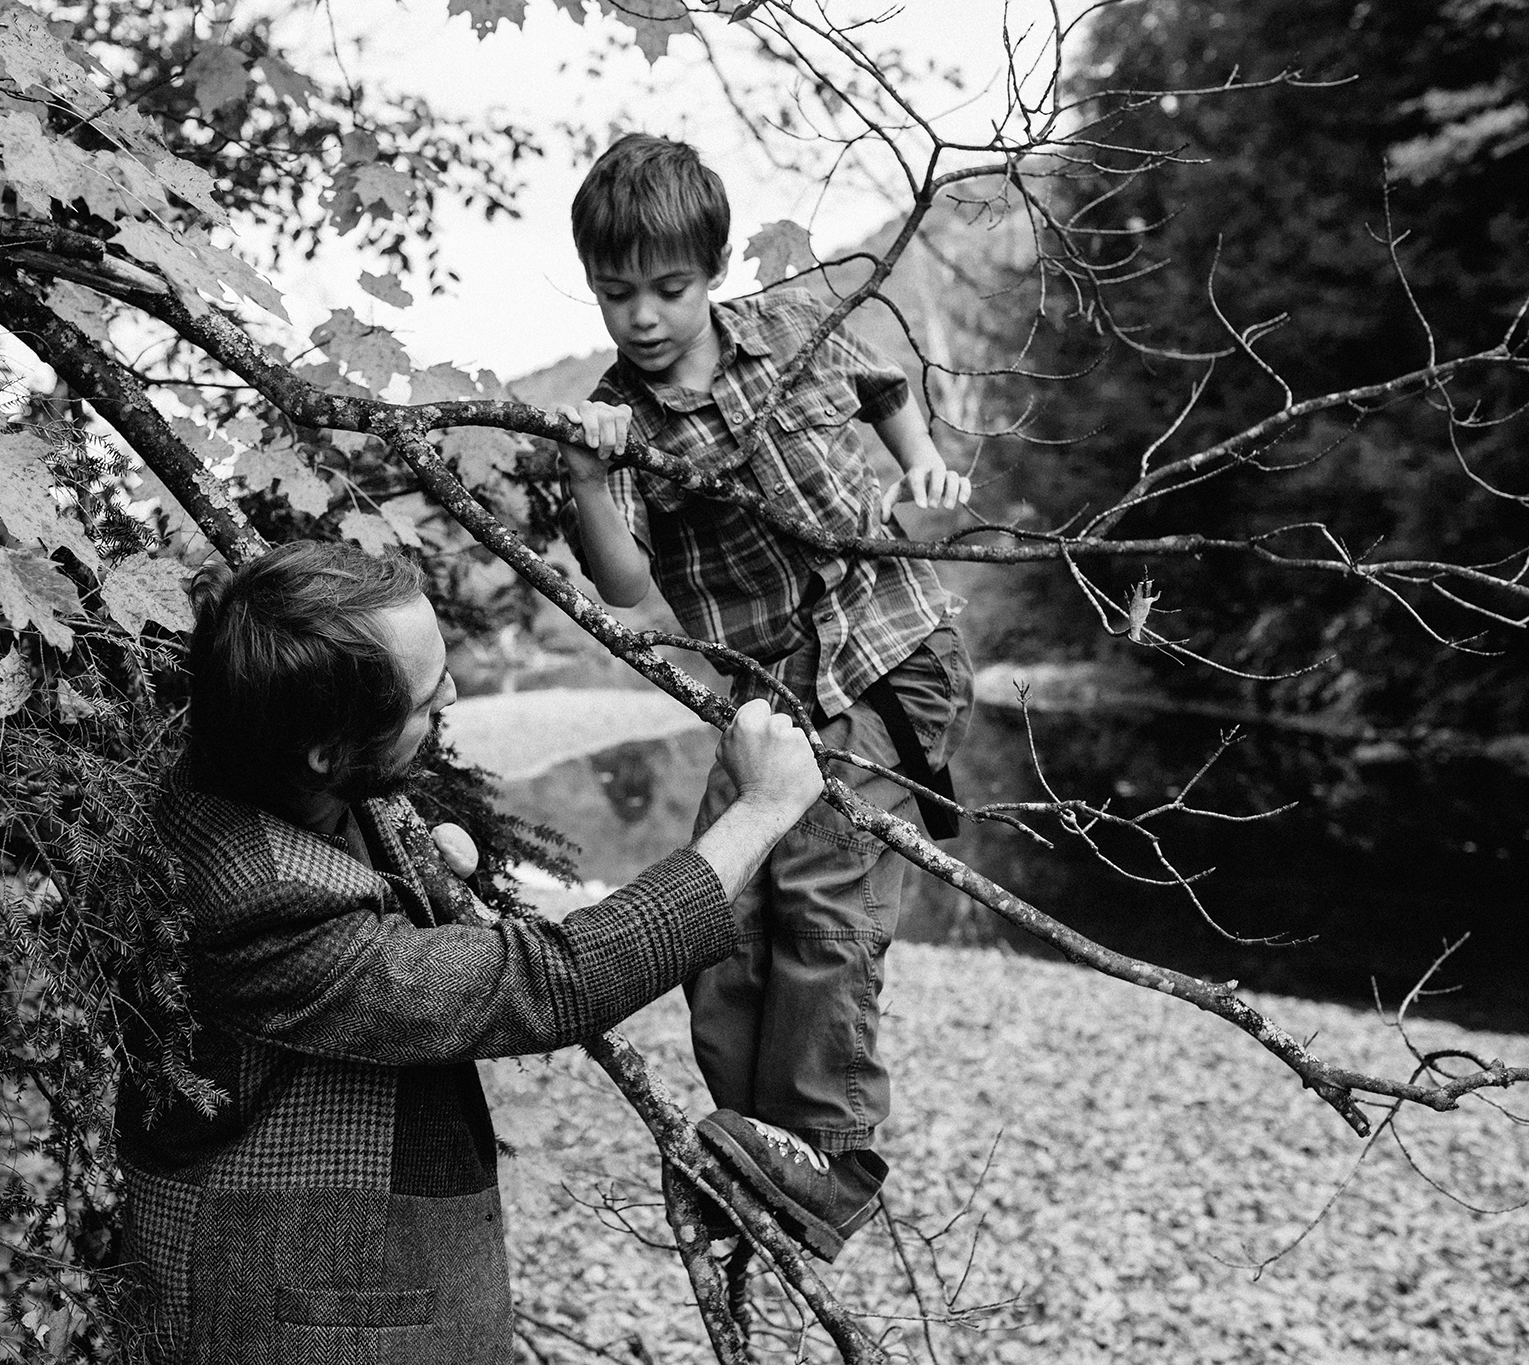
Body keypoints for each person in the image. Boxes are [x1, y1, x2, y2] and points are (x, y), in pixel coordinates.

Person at [115, 540, 823, 1363]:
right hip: (287, 1316)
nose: (452, 694)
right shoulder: (257, 904)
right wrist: (762, 808)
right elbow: (549, 982)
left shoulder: (262, 765)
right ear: (325, 753)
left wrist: (407, 878)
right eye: (424, 700)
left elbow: (352, 877)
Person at [554, 133, 977, 1262]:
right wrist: (589, 476)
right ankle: (752, 1148)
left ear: (715, 267)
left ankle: (830, 1158)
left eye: (669, 289)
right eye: (614, 294)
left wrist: (920, 464)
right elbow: (625, 587)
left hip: (887, 654)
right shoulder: (611, 423)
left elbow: (883, 388)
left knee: (820, 890)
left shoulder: (787, 331)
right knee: (721, 908)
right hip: (768, 701)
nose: (641, 317)